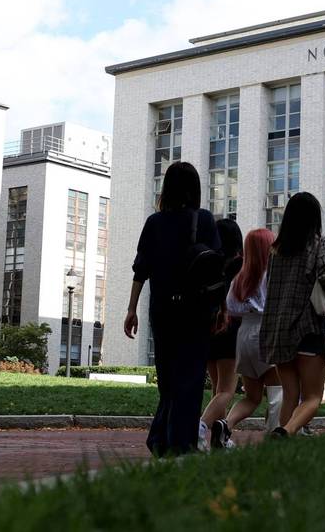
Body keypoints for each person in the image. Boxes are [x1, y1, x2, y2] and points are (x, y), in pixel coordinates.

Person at [125, 161, 221, 456]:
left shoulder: (155, 223)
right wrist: (221, 309)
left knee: (168, 379)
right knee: (190, 378)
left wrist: (131, 310)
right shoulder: (203, 220)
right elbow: (217, 268)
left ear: (167, 188)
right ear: (195, 189)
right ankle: (179, 444)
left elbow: (140, 270)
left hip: (162, 311)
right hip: (196, 312)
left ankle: (160, 440)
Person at [260, 192, 325, 439]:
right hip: (308, 329)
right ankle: (287, 431)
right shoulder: (319, 244)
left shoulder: (275, 251)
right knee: (313, 397)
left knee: (290, 396)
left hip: (278, 332)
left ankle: (285, 443)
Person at [216, 227, 281, 448]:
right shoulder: (272, 276)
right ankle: (276, 437)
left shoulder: (240, 279)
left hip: (244, 335)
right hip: (267, 333)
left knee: (251, 397)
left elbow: (231, 308)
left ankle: (225, 424)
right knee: (276, 392)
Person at [200, 218, 244, 450]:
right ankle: (201, 428)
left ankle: (222, 438)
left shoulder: (211, 263)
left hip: (210, 330)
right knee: (227, 390)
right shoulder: (241, 265)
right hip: (231, 330)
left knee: (218, 390)